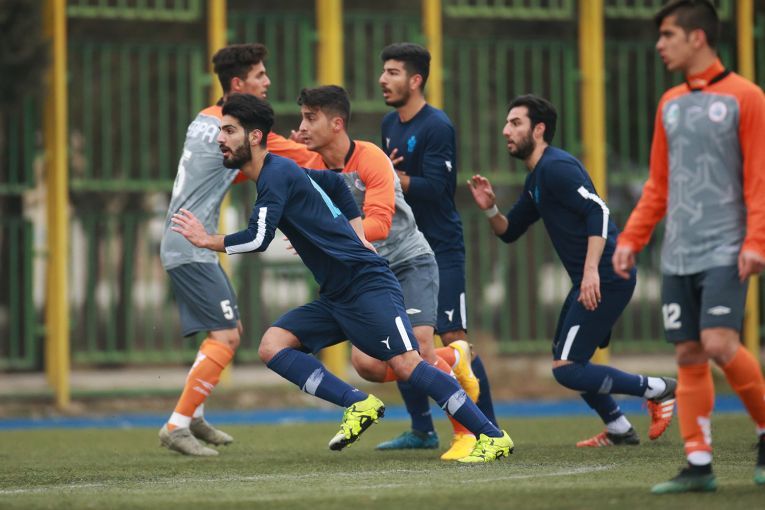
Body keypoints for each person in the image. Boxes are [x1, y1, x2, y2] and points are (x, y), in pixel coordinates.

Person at [171, 92, 514, 463]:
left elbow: (258, 238)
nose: (220, 138)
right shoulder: (281, 172)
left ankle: (492, 436)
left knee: (409, 363)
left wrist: (207, 240)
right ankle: (358, 403)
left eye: (228, 130)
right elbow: (337, 185)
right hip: (337, 295)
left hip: (367, 285)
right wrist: (357, 232)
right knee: (273, 345)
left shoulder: (275, 174)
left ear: (254, 137)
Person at [612, 0, 765, 493]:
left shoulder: (747, 98)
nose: (660, 45)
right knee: (690, 353)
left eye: (668, 35)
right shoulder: (670, 104)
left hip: (726, 247)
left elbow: (759, 177)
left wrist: (756, 240)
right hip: (679, 251)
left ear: (697, 38)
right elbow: (658, 184)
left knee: (719, 342)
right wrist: (632, 238)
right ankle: (699, 464)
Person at [467, 94, 677, 450]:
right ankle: (619, 428)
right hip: (593, 277)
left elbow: (599, 212)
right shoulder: (537, 178)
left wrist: (591, 272)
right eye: (506, 123)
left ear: (539, 129)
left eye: (515, 123)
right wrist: (490, 209)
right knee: (567, 359)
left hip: (607, 275)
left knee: (567, 368)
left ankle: (658, 389)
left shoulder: (557, 167)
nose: (506, 131)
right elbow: (509, 231)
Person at [293, 84, 481, 460]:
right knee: (366, 365)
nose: (302, 127)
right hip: (370, 275)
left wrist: (330, 233)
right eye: (302, 118)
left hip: (410, 263)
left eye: (310, 118)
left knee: (419, 350)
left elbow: (378, 224)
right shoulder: (311, 168)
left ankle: (467, 434)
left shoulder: (371, 158)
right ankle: (454, 359)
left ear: (336, 123)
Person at [158, 43, 312, 457]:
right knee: (226, 336)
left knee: (227, 332)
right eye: (260, 75)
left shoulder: (205, 120)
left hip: (184, 240)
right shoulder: (237, 128)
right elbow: (309, 158)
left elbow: (227, 172)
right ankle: (176, 425)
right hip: (191, 242)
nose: (268, 82)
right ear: (239, 83)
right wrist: (354, 159)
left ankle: (194, 414)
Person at [378, 42, 499, 455]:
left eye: (393, 72)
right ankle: (422, 430)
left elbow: (437, 189)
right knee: (401, 339)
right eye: (384, 71)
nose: (383, 79)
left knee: (453, 337)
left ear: (416, 80)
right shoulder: (389, 123)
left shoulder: (437, 125)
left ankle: (489, 429)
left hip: (440, 247)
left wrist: (393, 177)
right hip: (400, 249)